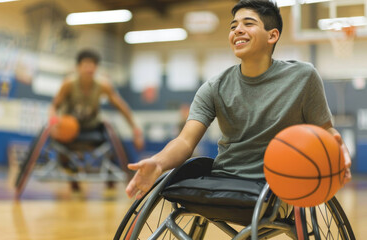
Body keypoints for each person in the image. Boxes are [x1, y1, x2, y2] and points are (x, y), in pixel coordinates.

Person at [126, 0, 352, 200]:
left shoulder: (303, 77)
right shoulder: (214, 87)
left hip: (279, 185)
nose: (238, 30)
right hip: (224, 179)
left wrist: (338, 150)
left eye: (248, 23)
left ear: (272, 35)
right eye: (233, 26)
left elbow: (325, 130)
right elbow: (185, 142)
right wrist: (158, 162)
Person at [50, 49, 144, 192]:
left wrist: (135, 129)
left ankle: (113, 175)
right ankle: (72, 176)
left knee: (113, 136)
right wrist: (54, 123)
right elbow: (54, 106)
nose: (90, 68)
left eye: (93, 64)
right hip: (70, 127)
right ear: (78, 67)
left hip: (91, 127)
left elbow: (122, 107)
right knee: (61, 143)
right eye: (86, 64)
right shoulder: (68, 84)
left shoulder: (103, 86)